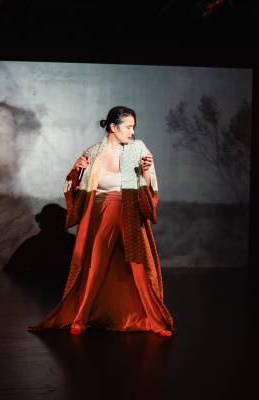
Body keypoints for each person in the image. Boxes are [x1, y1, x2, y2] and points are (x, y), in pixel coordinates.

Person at [27, 106, 175, 336]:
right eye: (128, 127)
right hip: (101, 212)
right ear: (113, 128)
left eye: (133, 127)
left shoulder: (137, 148)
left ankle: (155, 320)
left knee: (138, 267)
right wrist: (76, 171)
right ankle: (81, 317)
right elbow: (75, 185)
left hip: (129, 212)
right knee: (94, 265)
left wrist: (146, 172)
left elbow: (149, 184)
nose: (132, 132)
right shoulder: (94, 152)